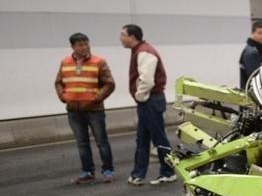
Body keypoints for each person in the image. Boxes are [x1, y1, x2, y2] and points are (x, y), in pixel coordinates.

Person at [54, 32, 116, 184]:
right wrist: (63, 96)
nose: (84, 47)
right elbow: (58, 82)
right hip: (74, 110)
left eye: (86, 43)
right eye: (80, 44)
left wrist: (96, 98)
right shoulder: (65, 62)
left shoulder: (99, 62)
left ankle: (108, 170)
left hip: (94, 110)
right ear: (73, 46)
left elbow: (109, 83)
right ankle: (87, 171)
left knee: (101, 141)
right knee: (82, 143)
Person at [119, 24, 175, 186]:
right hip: (148, 101)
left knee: (159, 139)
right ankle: (138, 174)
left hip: (150, 100)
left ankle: (168, 171)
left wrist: (140, 96)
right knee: (143, 138)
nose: (120, 38)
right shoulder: (140, 51)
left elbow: (147, 80)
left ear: (133, 36)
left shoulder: (144, 52)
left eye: (123, 34)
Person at [239, 21, 262, 88]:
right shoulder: (252, 52)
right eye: (259, 33)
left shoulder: (261, 51)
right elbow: (254, 76)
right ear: (252, 34)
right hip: (253, 93)